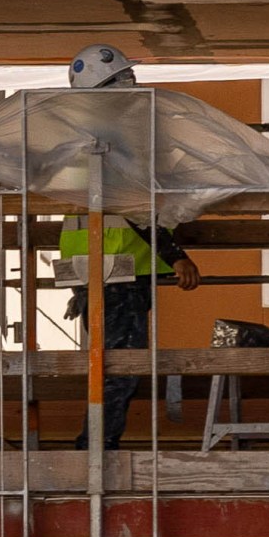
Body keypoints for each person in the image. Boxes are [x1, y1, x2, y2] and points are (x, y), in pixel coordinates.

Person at [53, 41, 200, 444]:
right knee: (121, 367)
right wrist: (176, 255)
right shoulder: (115, 140)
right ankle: (95, 448)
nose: (134, 84)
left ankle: (95, 444)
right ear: (109, 88)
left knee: (109, 364)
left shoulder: (80, 136)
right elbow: (134, 208)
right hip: (120, 269)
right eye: (125, 78)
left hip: (96, 269)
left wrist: (82, 285)